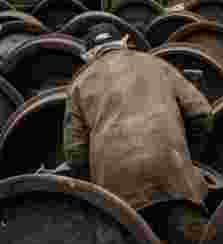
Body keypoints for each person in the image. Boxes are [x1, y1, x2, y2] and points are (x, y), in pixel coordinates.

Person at [62, 24, 214, 213]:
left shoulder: (78, 85)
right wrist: (188, 155)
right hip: (172, 173)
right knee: (190, 234)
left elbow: (74, 154)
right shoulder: (157, 64)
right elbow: (203, 115)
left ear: (89, 56)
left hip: (118, 191)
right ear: (124, 42)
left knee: (129, 238)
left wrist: (96, 185)